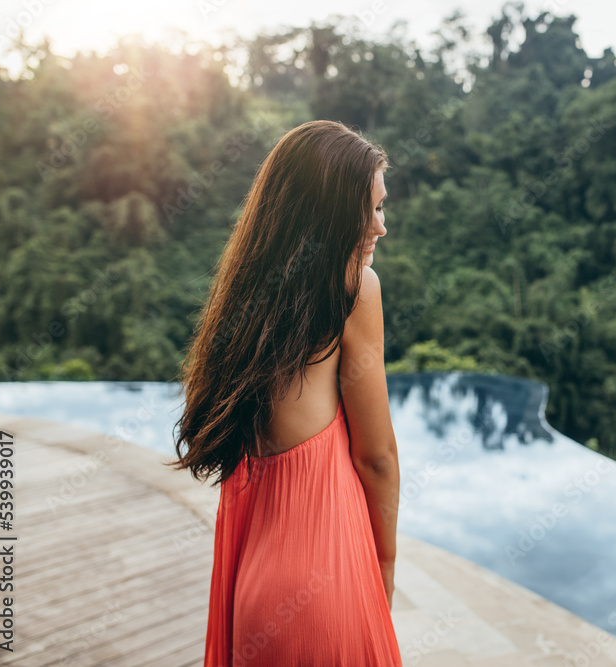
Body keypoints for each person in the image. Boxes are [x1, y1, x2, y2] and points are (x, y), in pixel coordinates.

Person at [170, 119, 402, 666]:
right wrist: (384, 566)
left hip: (256, 589)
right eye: (366, 210)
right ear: (326, 216)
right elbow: (377, 458)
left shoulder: (246, 301)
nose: (380, 226)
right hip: (330, 582)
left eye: (381, 206)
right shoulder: (354, 287)